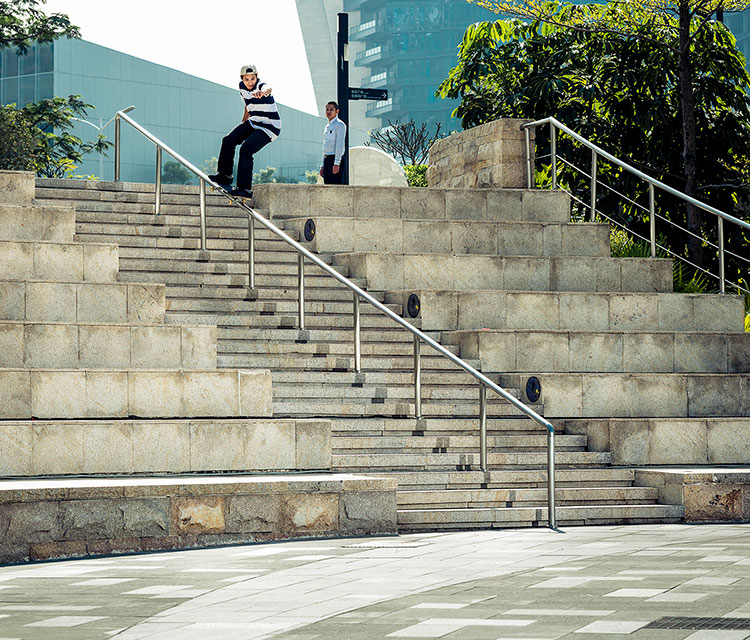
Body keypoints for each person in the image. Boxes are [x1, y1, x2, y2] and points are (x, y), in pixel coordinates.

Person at [209, 65, 281, 198]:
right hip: (253, 122)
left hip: (270, 127)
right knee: (228, 140)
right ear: (242, 79)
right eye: (247, 79)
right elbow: (247, 105)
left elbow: (268, 88)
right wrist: (243, 123)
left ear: (256, 76)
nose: (250, 82)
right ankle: (225, 175)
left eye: (252, 79)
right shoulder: (241, 87)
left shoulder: (261, 86)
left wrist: (263, 92)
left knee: (246, 149)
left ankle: (245, 189)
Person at [319, 101, 346, 185]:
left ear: (337, 111)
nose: (329, 112)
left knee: (335, 187)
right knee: (327, 186)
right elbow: (325, 147)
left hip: (335, 159)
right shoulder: (327, 127)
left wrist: (337, 163)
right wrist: (322, 165)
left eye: (331, 109)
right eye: (327, 109)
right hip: (327, 160)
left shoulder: (340, 125)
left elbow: (340, 144)